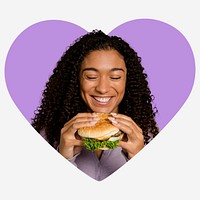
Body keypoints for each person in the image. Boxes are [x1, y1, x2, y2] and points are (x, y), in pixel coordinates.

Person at [32, 30, 159, 181]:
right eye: (91, 77)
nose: (103, 88)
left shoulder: (147, 135)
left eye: (115, 77)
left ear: (128, 81)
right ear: (76, 80)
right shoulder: (48, 135)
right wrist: (63, 159)